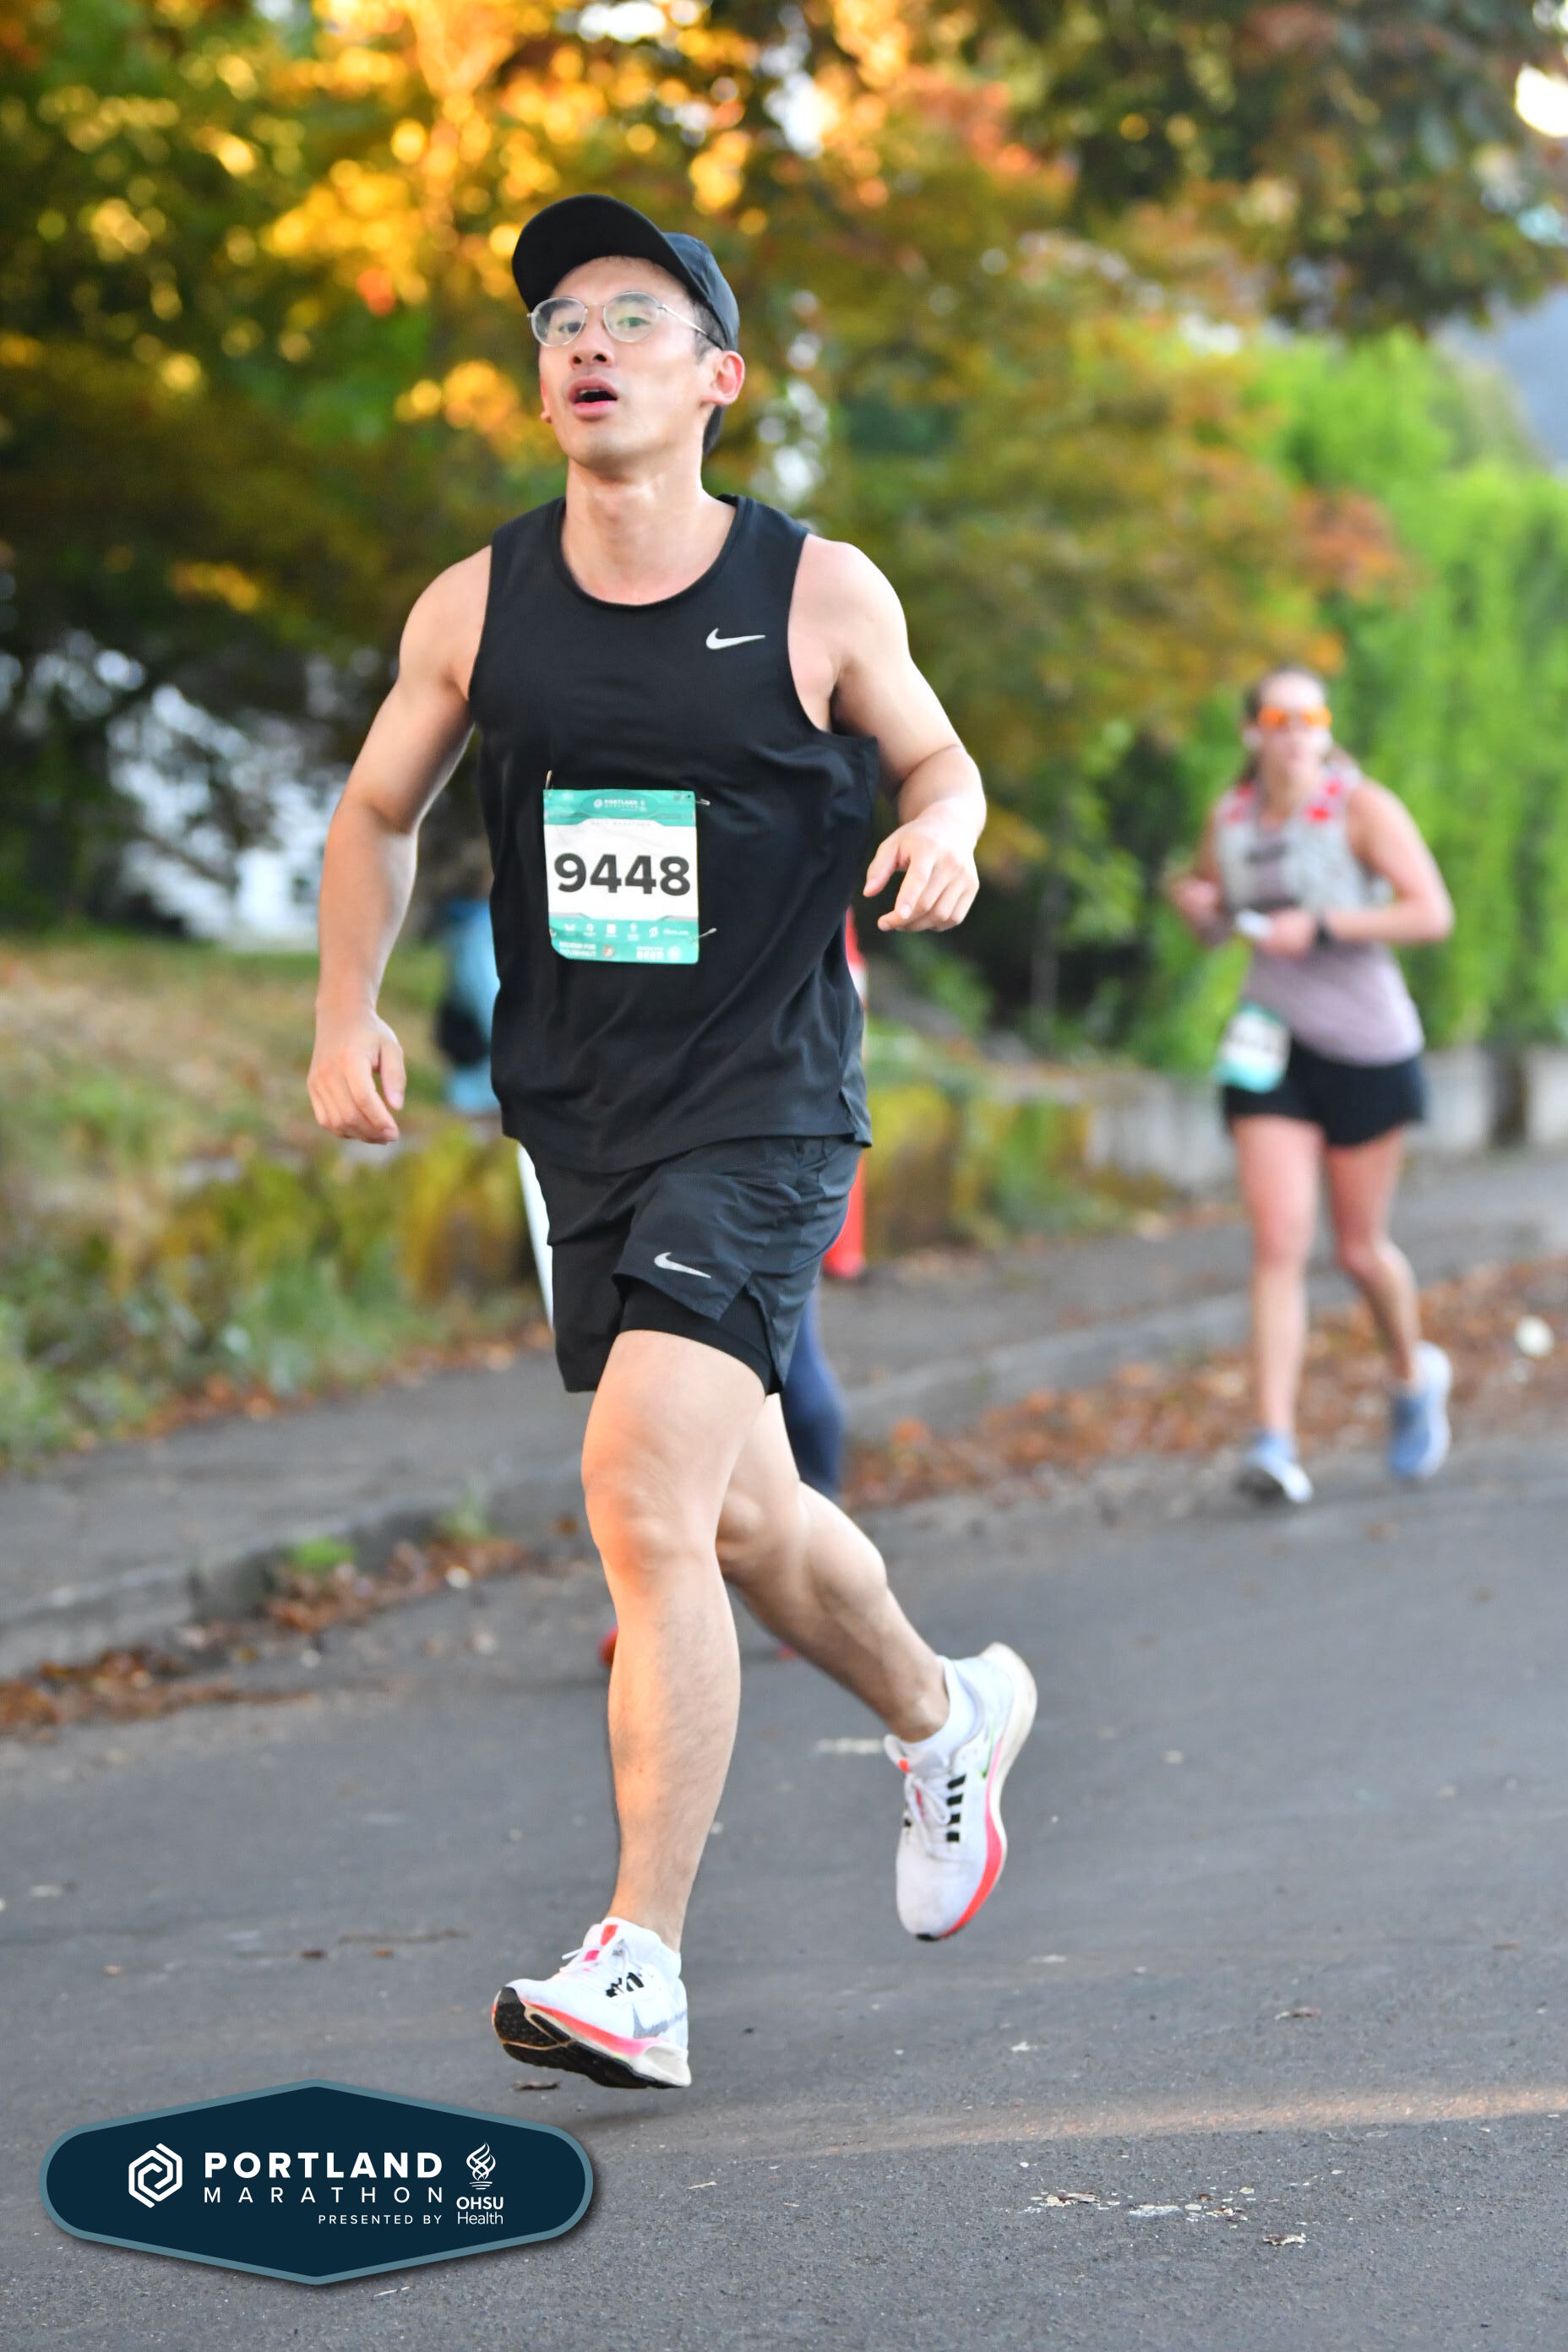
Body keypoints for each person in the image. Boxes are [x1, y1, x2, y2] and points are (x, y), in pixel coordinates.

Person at [307, 193, 1036, 2092]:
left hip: (766, 1103)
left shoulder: (816, 592)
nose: (587, 340)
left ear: (717, 377)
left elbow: (939, 759)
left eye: (633, 315)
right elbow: (377, 812)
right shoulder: (479, 604)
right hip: (581, 1114)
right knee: (739, 1516)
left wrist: (942, 827)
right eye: (561, 317)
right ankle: (945, 1713)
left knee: (638, 1494)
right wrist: (342, 1004)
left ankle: (640, 1961)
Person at [1167, 664, 1456, 1505]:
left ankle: (1412, 1376)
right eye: (1278, 719)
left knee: (1358, 1251)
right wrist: (1199, 910)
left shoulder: (1361, 808)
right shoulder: (1229, 816)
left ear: (1325, 732)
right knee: (1277, 1243)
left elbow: (1429, 913)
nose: (1296, 733)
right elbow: (1215, 916)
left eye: (1311, 718)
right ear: (1250, 732)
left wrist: (1323, 925)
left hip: (1366, 1046)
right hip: (1272, 1048)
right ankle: (1273, 1442)